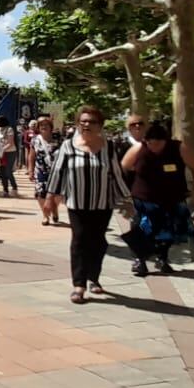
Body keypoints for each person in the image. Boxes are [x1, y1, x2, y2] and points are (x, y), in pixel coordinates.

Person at [47, 104, 128, 304]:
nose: (86, 125)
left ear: (100, 125)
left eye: (91, 122)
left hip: (103, 203)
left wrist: (127, 200)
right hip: (77, 202)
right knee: (80, 240)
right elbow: (58, 172)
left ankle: (94, 277)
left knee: (98, 241)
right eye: (82, 121)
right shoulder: (68, 146)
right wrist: (51, 197)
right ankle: (79, 285)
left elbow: (116, 174)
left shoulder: (108, 147)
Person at [122, 120, 194, 276]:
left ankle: (163, 259)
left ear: (165, 141)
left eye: (157, 144)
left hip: (171, 198)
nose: (153, 147)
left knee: (167, 232)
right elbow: (123, 168)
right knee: (141, 230)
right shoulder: (139, 148)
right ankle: (140, 260)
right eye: (150, 143)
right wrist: (126, 192)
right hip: (144, 198)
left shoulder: (179, 148)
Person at [31, 116, 61, 226]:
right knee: (40, 193)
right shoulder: (35, 140)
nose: (44, 127)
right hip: (40, 170)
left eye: (46, 125)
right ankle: (45, 215)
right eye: (41, 125)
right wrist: (30, 171)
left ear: (51, 127)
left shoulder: (58, 138)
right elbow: (31, 156)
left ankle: (54, 208)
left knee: (57, 194)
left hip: (57, 171)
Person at [0, 119, 20, 195]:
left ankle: (14, 187)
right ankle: (5, 189)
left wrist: (3, 149)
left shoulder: (9, 129)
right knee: (2, 171)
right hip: (0, 153)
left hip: (10, 152)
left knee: (8, 170)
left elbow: (11, 142)